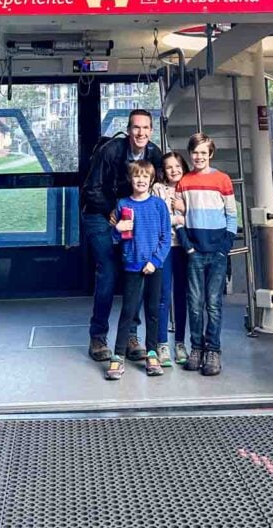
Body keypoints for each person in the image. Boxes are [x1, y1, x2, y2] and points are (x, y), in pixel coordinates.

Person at [80, 109, 163, 363]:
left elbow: (155, 187)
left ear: (151, 130)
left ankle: (131, 336)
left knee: (135, 270)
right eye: (136, 128)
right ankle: (98, 336)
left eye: (146, 128)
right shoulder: (111, 151)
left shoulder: (154, 153)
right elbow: (90, 189)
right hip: (100, 213)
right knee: (108, 271)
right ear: (129, 130)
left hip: (131, 215)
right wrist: (111, 212)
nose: (141, 133)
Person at [176, 132, 237, 376]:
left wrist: (224, 247)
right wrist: (188, 245)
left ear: (210, 154)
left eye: (203, 152)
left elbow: (232, 215)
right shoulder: (184, 182)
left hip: (217, 253)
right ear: (189, 154)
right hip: (195, 251)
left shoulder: (223, 180)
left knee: (213, 304)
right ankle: (196, 348)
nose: (199, 156)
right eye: (195, 152)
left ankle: (213, 350)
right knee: (194, 304)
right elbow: (179, 217)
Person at [105, 160, 171, 381]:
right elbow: (116, 238)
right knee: (128, 312)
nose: (141, 180)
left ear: (151, 180)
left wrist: (155, 260)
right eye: (137, 176)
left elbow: (166, 238)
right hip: (132, 265)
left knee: (152, 311)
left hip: (154, 267)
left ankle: (152, 353)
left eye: (145, 176)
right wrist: (116, 229)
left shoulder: (159, 205)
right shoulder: (123, 204)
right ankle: (118, 355)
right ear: (130, 179)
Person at [152, 151, 190, 366]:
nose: (174, 170)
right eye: (169, 167)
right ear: (163, 171)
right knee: (163, 294)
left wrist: (183, 211)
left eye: (177, 166)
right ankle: (162, 343)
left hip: (184, 248)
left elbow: (196, 216)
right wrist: (178, 216)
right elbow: (159, 218)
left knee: (182, 295)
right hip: (165, 247)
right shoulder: (158, 188)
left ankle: (180, 342)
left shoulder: (190, 188)